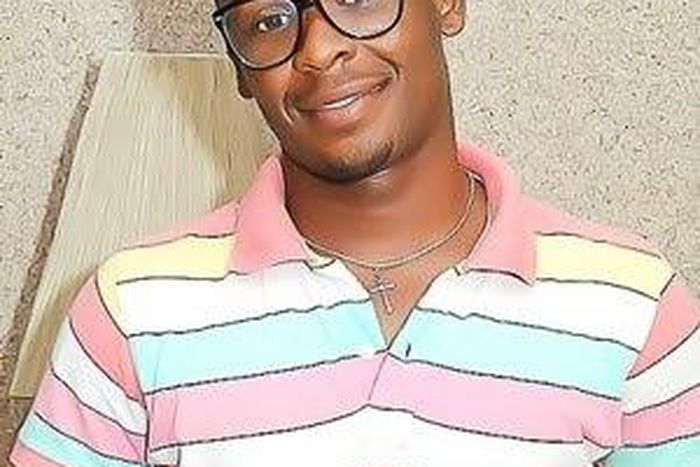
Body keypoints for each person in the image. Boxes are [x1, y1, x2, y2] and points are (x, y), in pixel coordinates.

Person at [10, 0, 699, 465]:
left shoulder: (635, 304)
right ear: (239, 66)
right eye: (269, 18)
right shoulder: (133, 308)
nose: (319, 49)